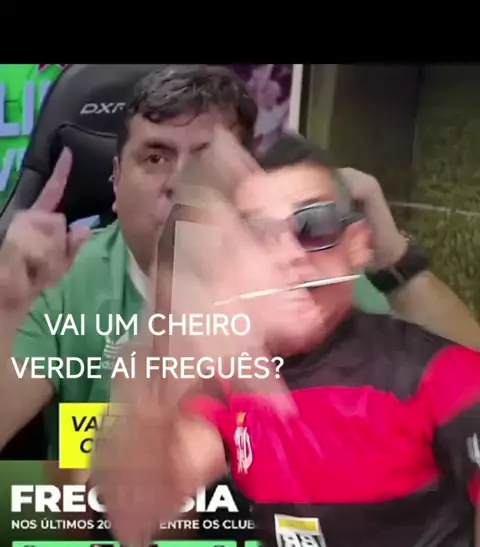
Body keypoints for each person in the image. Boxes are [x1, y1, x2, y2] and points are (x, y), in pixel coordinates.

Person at [94, 131, 480, 547]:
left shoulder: (434, 374)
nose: (287, 255)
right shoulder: (227, 386)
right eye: (255, 236)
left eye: (314, 226)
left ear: (357, 244)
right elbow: (137, 514)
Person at [1, 65, 479, 459]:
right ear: (116, 179)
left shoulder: (304, 274)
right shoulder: (67, 280)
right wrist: (6, 308)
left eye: (207, 159)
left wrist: (394, 259)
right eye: (155, 158)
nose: (180, 182)